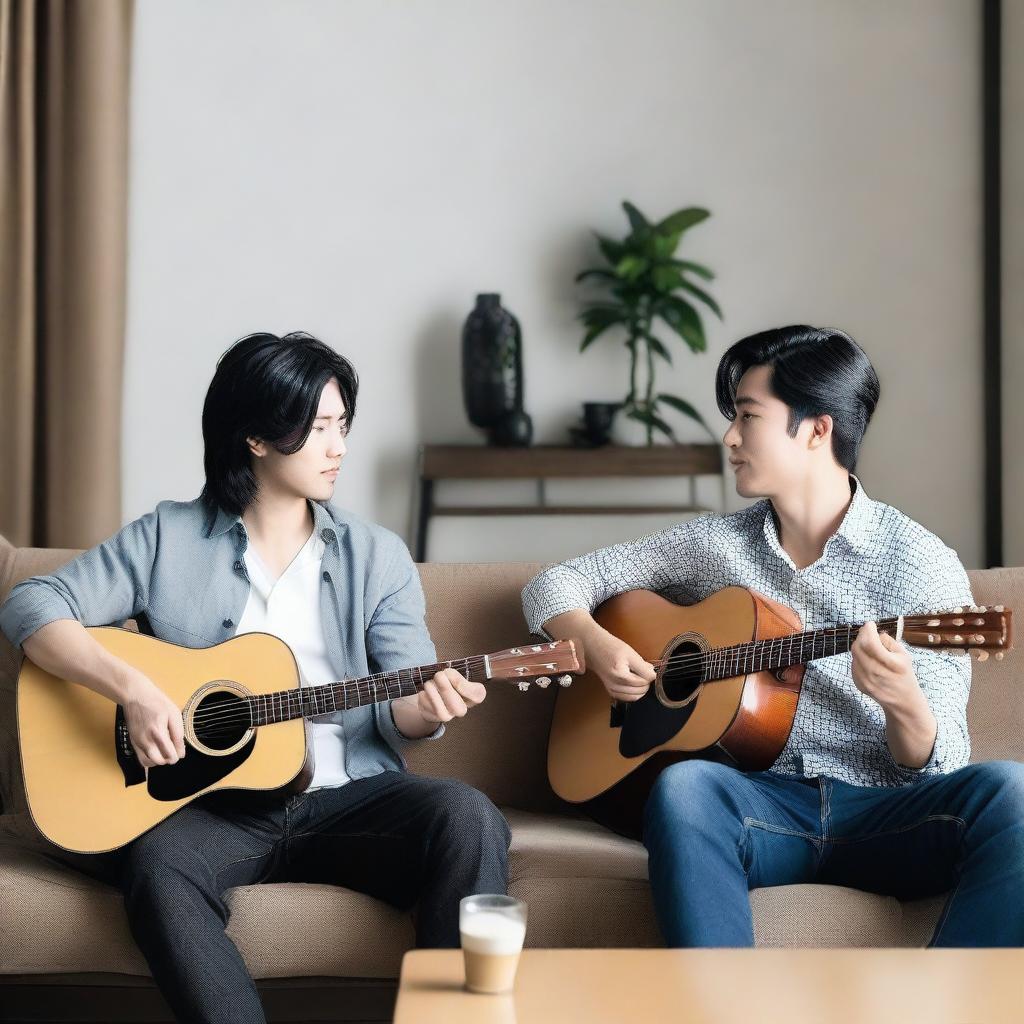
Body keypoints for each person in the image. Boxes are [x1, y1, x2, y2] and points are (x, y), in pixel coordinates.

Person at [0, 331, 511, 1023]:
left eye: (342, 426)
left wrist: (432, 705)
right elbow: (31, 604)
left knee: (468, 815)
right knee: (158, 868)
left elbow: (404, 709)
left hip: (348, 800)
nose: (339, 447)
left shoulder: (376, 555)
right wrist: (134, 689)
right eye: (319, 427)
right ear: (257, 439)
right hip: (212, 809)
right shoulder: (168, 538)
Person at [522, 324, 1024, 947]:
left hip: (884, 816)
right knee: (685, 786)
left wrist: (902, 700)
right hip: (760, 806)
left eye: (748, 416)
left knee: (1012, 791)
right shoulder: (715, 545)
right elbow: (554, 584)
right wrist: (596, 645)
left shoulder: (920, 562)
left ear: (817, 431)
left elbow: (942, 757)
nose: (729, 437)